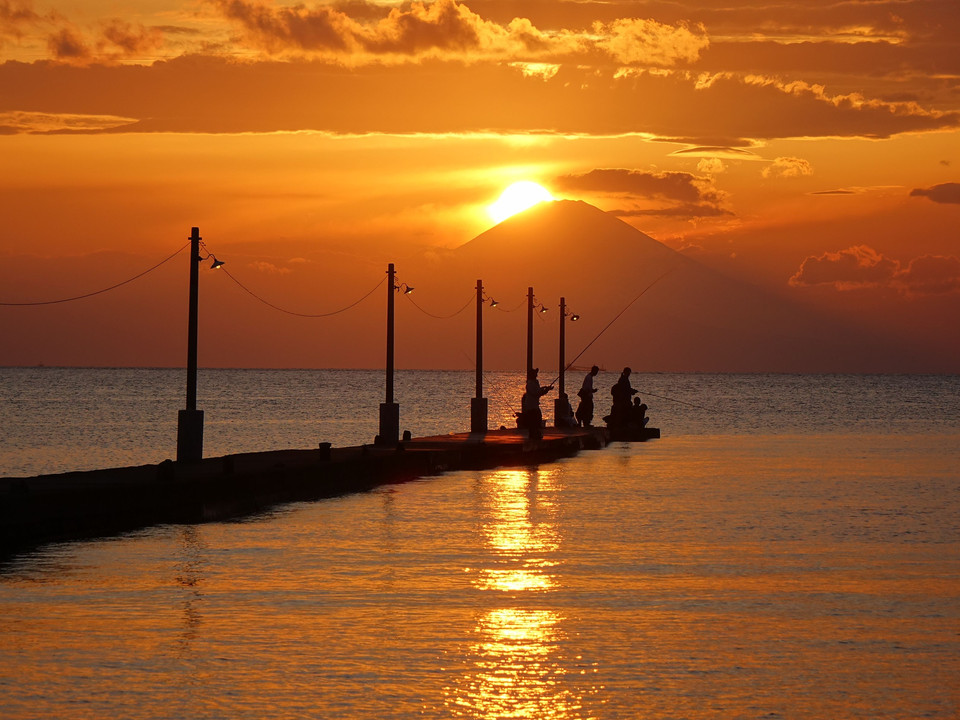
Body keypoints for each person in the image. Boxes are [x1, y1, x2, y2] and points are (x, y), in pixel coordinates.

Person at [520, 367, 553, 441]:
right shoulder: (530, 384)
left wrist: (546, 389)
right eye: (535, 373)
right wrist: (545, 390)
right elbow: (536, 393)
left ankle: (535, 435)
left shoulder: (535, 382)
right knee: (534, 420)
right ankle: (533, 435)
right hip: (531, 406)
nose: (536, 375)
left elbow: (538, 391)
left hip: (534, 405)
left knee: (536, 420)